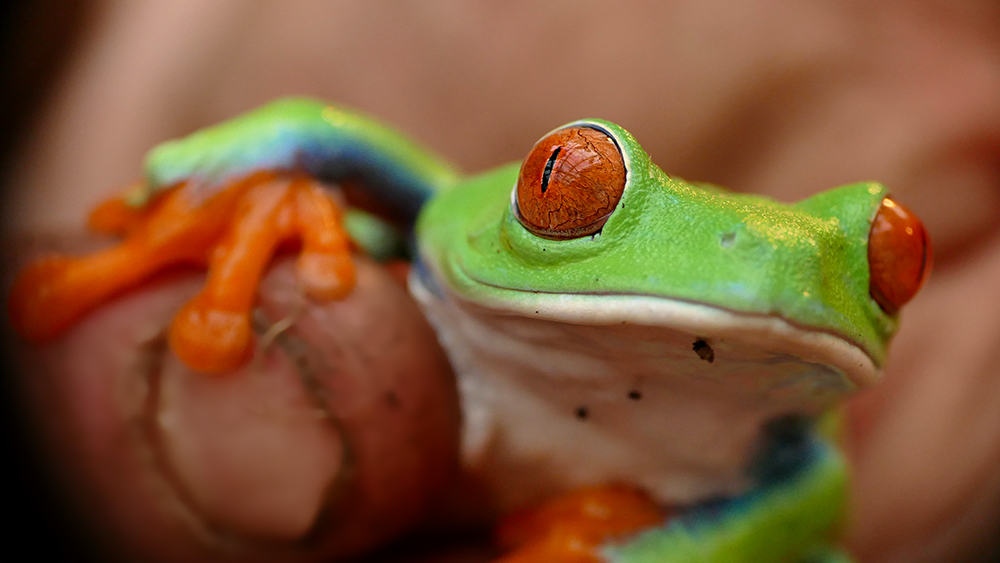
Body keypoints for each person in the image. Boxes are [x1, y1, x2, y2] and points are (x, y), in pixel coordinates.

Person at [2, 2, 999, 561]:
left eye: (883, 258)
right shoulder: (427, 230)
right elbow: (330, 142)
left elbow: (814, 501)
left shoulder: (795, 445)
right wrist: (162, 119)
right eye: (574, 186)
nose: (763, 274)